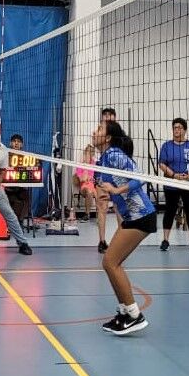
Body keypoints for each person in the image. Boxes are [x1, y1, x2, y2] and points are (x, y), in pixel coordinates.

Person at [92, 120, 156, 335]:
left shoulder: (115, 155)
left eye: (99, 129)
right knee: (111, 263)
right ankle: (124, 312)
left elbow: (140, 178)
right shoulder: (102, 159)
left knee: (110, 263)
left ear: (108, 137)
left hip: (141, 215)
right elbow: (102, 183)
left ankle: (134, 315)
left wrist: (117, 190)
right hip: (131, 216)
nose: (94, 131)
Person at [158, 118, 189, 252]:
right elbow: (162, 164)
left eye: (179, 127)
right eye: (174, 127)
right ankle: (165, 240)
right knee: (170, 211)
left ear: (184, 130)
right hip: (172, 183)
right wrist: (174, 175)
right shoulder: (167, 146)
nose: (176, 130)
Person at [94, 108, 118, 253]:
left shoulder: (120, 136)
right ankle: (102, 241)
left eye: (110, 117)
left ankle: (119, 242)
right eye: (105, 118)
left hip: (117, 177)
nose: (107, 119)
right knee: (101, 208)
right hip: (103, 174)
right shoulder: (100, 134)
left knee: (119, 209)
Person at [5, 133, 31, 224]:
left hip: (19, 188)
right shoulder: (5, 156)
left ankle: (19, 221)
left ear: (22, 145)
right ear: (10, 144)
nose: (16, 143)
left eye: (19, 142)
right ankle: (11, 222)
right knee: (13, 200)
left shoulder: (26, 158)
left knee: (26, 197)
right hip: (6, 188)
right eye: (14, 141)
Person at [73, 144, 96, 223]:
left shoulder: (94, 164)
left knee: (99, 194)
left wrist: (89, 178)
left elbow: (95, 178)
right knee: (89, 192)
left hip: (93, 186)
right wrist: (86, 168)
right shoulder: (80, 165)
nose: (88, 155)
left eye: (90, 153)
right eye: (86, 153)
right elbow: (82, 179)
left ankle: (100, 216)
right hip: (84, 187)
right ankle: (87, 214)